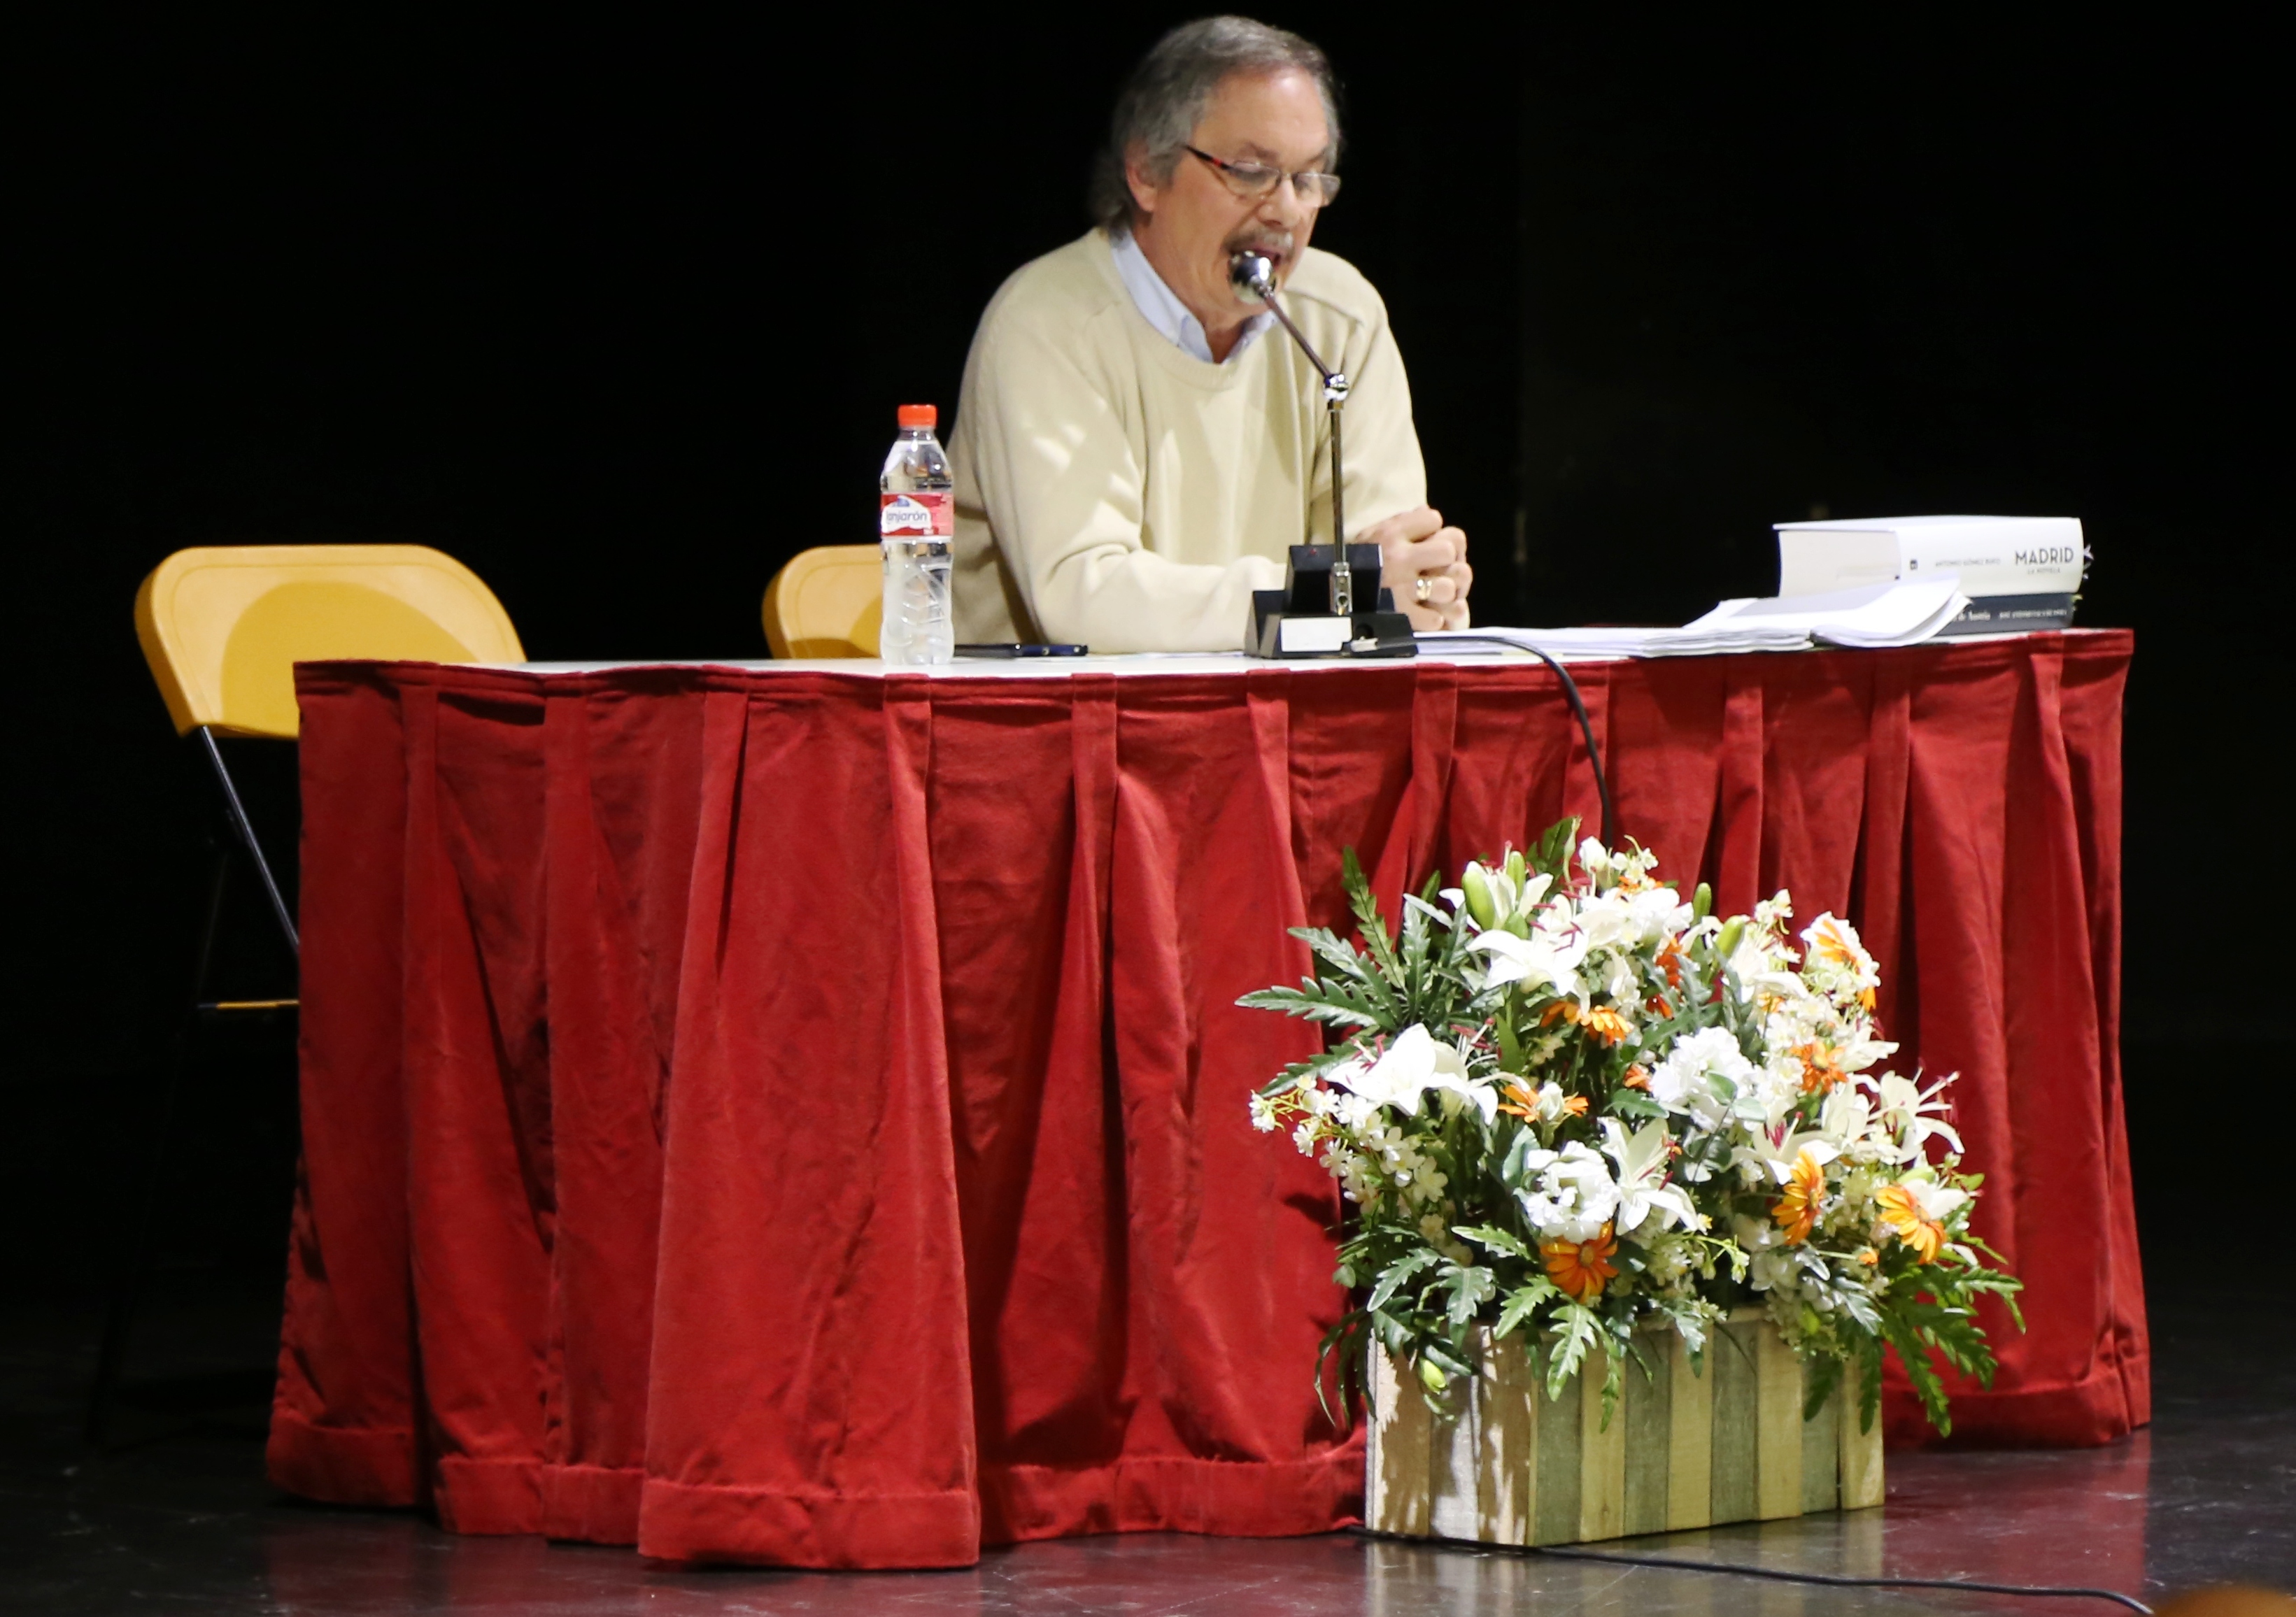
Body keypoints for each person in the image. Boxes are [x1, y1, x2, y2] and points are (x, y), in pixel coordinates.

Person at [950, 15, 1473, 652]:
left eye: (1309, 179)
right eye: (1252, 171)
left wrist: (1421, 587)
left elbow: (1385, 558)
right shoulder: (1048, 322)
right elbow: (1083, 596)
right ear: (1144, 171)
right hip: (1064, 738)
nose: (1285, 211)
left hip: (1285, 730)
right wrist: (1333, 598)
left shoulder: (1338, 317)